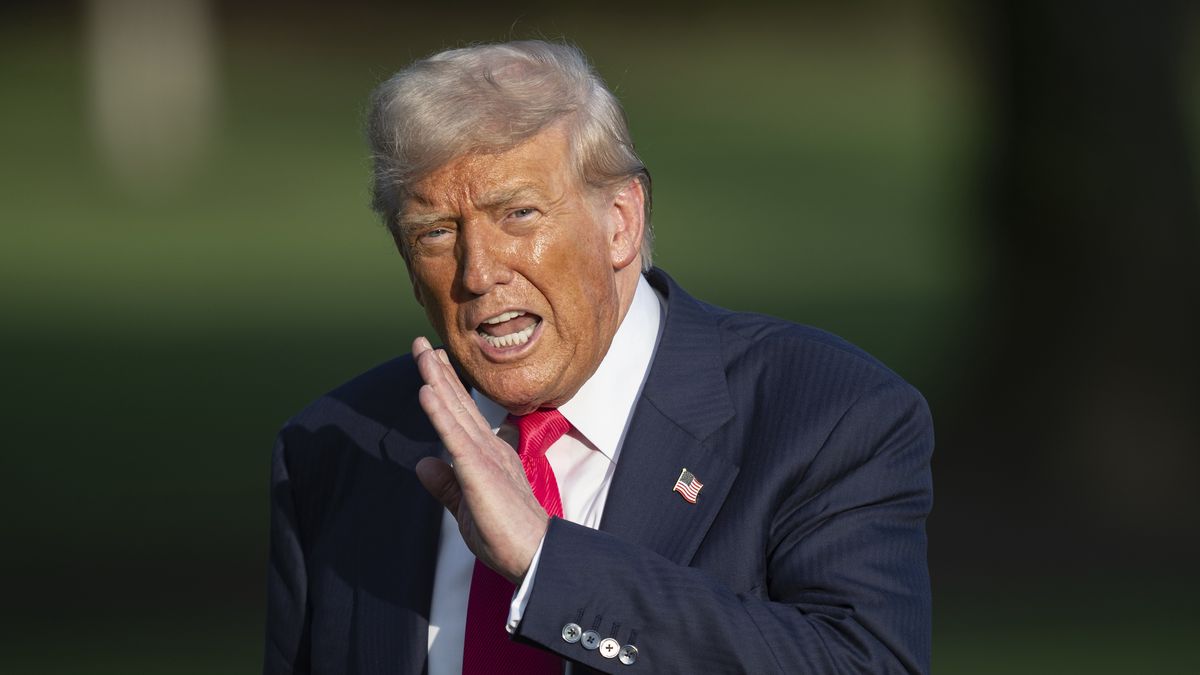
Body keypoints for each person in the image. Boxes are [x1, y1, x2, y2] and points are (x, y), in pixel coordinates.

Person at [264, 40, 933, 675]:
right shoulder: (339, 445)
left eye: (518, 213)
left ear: (620, 221)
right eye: (435, 232)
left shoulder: (826, 415)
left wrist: (547, 564)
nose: (478, 272)